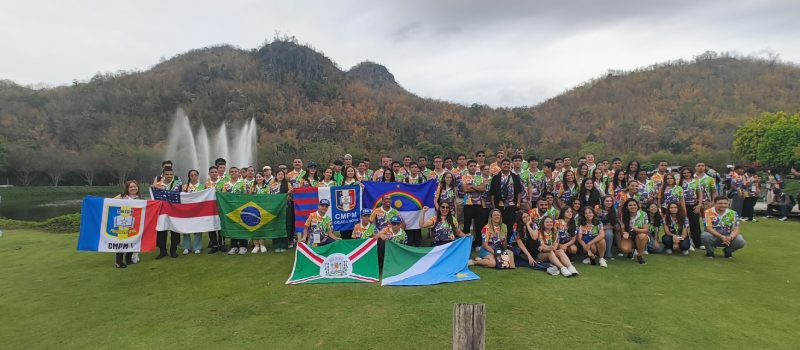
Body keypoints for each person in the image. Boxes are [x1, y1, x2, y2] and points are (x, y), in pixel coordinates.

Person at [153, 166, 182, 259]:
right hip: (162, 211)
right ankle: (163, 251)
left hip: (174, 210)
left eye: (171, 174)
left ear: (173, 174)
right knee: (162, 231)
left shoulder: (177, 183)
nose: (169, 176)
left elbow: (180, 195)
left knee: (174, 230)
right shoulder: (157, 184)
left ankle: (173, 251)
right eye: (167, 174)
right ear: (163, 175)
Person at [113, 180, 141, 268]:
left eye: (135, 186)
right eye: (131, 187)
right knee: (122, 242)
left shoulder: (140, 198)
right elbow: (110, 202)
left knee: (132, 241)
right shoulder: (121, 196)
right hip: (123, 223)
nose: (133, 188)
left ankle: (128, 259)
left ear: (137, 187)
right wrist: (121, 202)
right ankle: (119, 262)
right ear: (127, 188)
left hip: (135, 223)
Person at [490, 159, 523, 233]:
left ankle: (509, 241)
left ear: (510, 165)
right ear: (501, 166)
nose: (506, 166)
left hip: (511, 204)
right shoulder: (496, 178)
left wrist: (518, 203)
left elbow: (519, 191)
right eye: (504, 164)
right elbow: (492, 193)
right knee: (500, 223)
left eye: (508, 164)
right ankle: (500, 240)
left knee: (511, 223)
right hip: (500, 204)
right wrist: (493, 205)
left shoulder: (515, 177)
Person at [180, 169, 204, 255]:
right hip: (187, 211)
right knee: (186, 229)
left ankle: (197, 247)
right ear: (189, 176)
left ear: (198, 176)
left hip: (198, 211)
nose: (193, 176)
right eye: (191, 175)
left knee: (198, 229)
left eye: (195, 175)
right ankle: (186, 247)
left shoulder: (202, 186)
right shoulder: (184, 187)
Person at [620, 198, 650, 264]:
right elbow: (622, 228)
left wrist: (636, 229)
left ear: (637, 206)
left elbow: (646, 230)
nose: (633, 206)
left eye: (634, 205)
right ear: (627, 207)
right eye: (630, 205)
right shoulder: (624, 214)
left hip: (639, 234)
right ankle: (632, 250)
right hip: (629, 235)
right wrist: (624, 233)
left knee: (642, 236)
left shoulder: (643, 214)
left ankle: (640, 255)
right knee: (625, 249)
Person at [679, 167, 702, 251]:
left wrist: (699, 205)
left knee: (695, 224)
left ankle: (698, 243)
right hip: (682, 206)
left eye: (688, 172)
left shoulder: (696, 181)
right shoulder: (680, 182)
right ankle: (688, 242)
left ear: (691, 173)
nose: (686, 174)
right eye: (684, 173)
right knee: (684, 224)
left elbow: (700, 194)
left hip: (693, 205)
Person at [269, 169, 292, 252]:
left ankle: (284, 244)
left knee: (285, 225)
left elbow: (291, 196)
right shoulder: (272, 185)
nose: (280, 176)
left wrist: (288, 194)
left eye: (282, 174)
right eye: (278, 174)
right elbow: (269, 195)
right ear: (276, 175)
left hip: (285, 207)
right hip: (275, 208)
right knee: (275, 225)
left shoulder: (288, 185)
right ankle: (276, 244)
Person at [597, 195, 617, 260]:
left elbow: (613, 224)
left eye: (611, 201)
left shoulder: (614, 211)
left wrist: (603, 228)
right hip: (597, 227)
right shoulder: (598, 209)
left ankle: (608, 252)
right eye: (607, 201)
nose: (609, 202)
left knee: (609, 234)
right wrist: (601, 228)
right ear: (603, 202)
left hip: (608, 227)